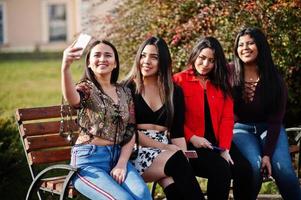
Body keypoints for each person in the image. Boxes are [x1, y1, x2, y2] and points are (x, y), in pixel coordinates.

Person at [61, 39, 152, 200]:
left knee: (143, 195)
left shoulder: (124, 92)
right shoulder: (86, 88)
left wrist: (122, 163)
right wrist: (65, 67)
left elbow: (130, 130)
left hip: (117, 157)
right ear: (89, 63)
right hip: (88, 162)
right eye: (97, 55)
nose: (102, 59)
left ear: (115, 63)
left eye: (108, 55)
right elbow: (73, 99)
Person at [125, 36, 204, 200]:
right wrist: (168, 149)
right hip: (134, 150)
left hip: (165, 152)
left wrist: (183, 158)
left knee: (176, 185)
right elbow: (129, 131)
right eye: (143, 55)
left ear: (163, 62)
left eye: (154, 57)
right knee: (177, 164)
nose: (146, 61)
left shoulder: (174, 92)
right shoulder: (127, 89)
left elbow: (177, 133)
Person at [231, 27, 301, 200]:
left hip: (269, 128)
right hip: (240, 129)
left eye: (250, 43)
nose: (245, 48)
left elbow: (276, 120)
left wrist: (268, 155)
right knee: (252, 167)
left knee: (282, 168)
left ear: (260, 46)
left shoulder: (274, 79)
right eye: (241, 44)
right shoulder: (228, 73)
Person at [173, 36, 234, 200]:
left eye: (211, 60)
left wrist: (224, 149)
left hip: (217, 144)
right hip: (190, 145)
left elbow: (227, 119)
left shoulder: (221, 83)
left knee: (244, 169)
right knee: (221, 169)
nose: (206, 64)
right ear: (195, 55)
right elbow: (172, 117)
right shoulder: (178, 81)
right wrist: (192, 137)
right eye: (202, 58)